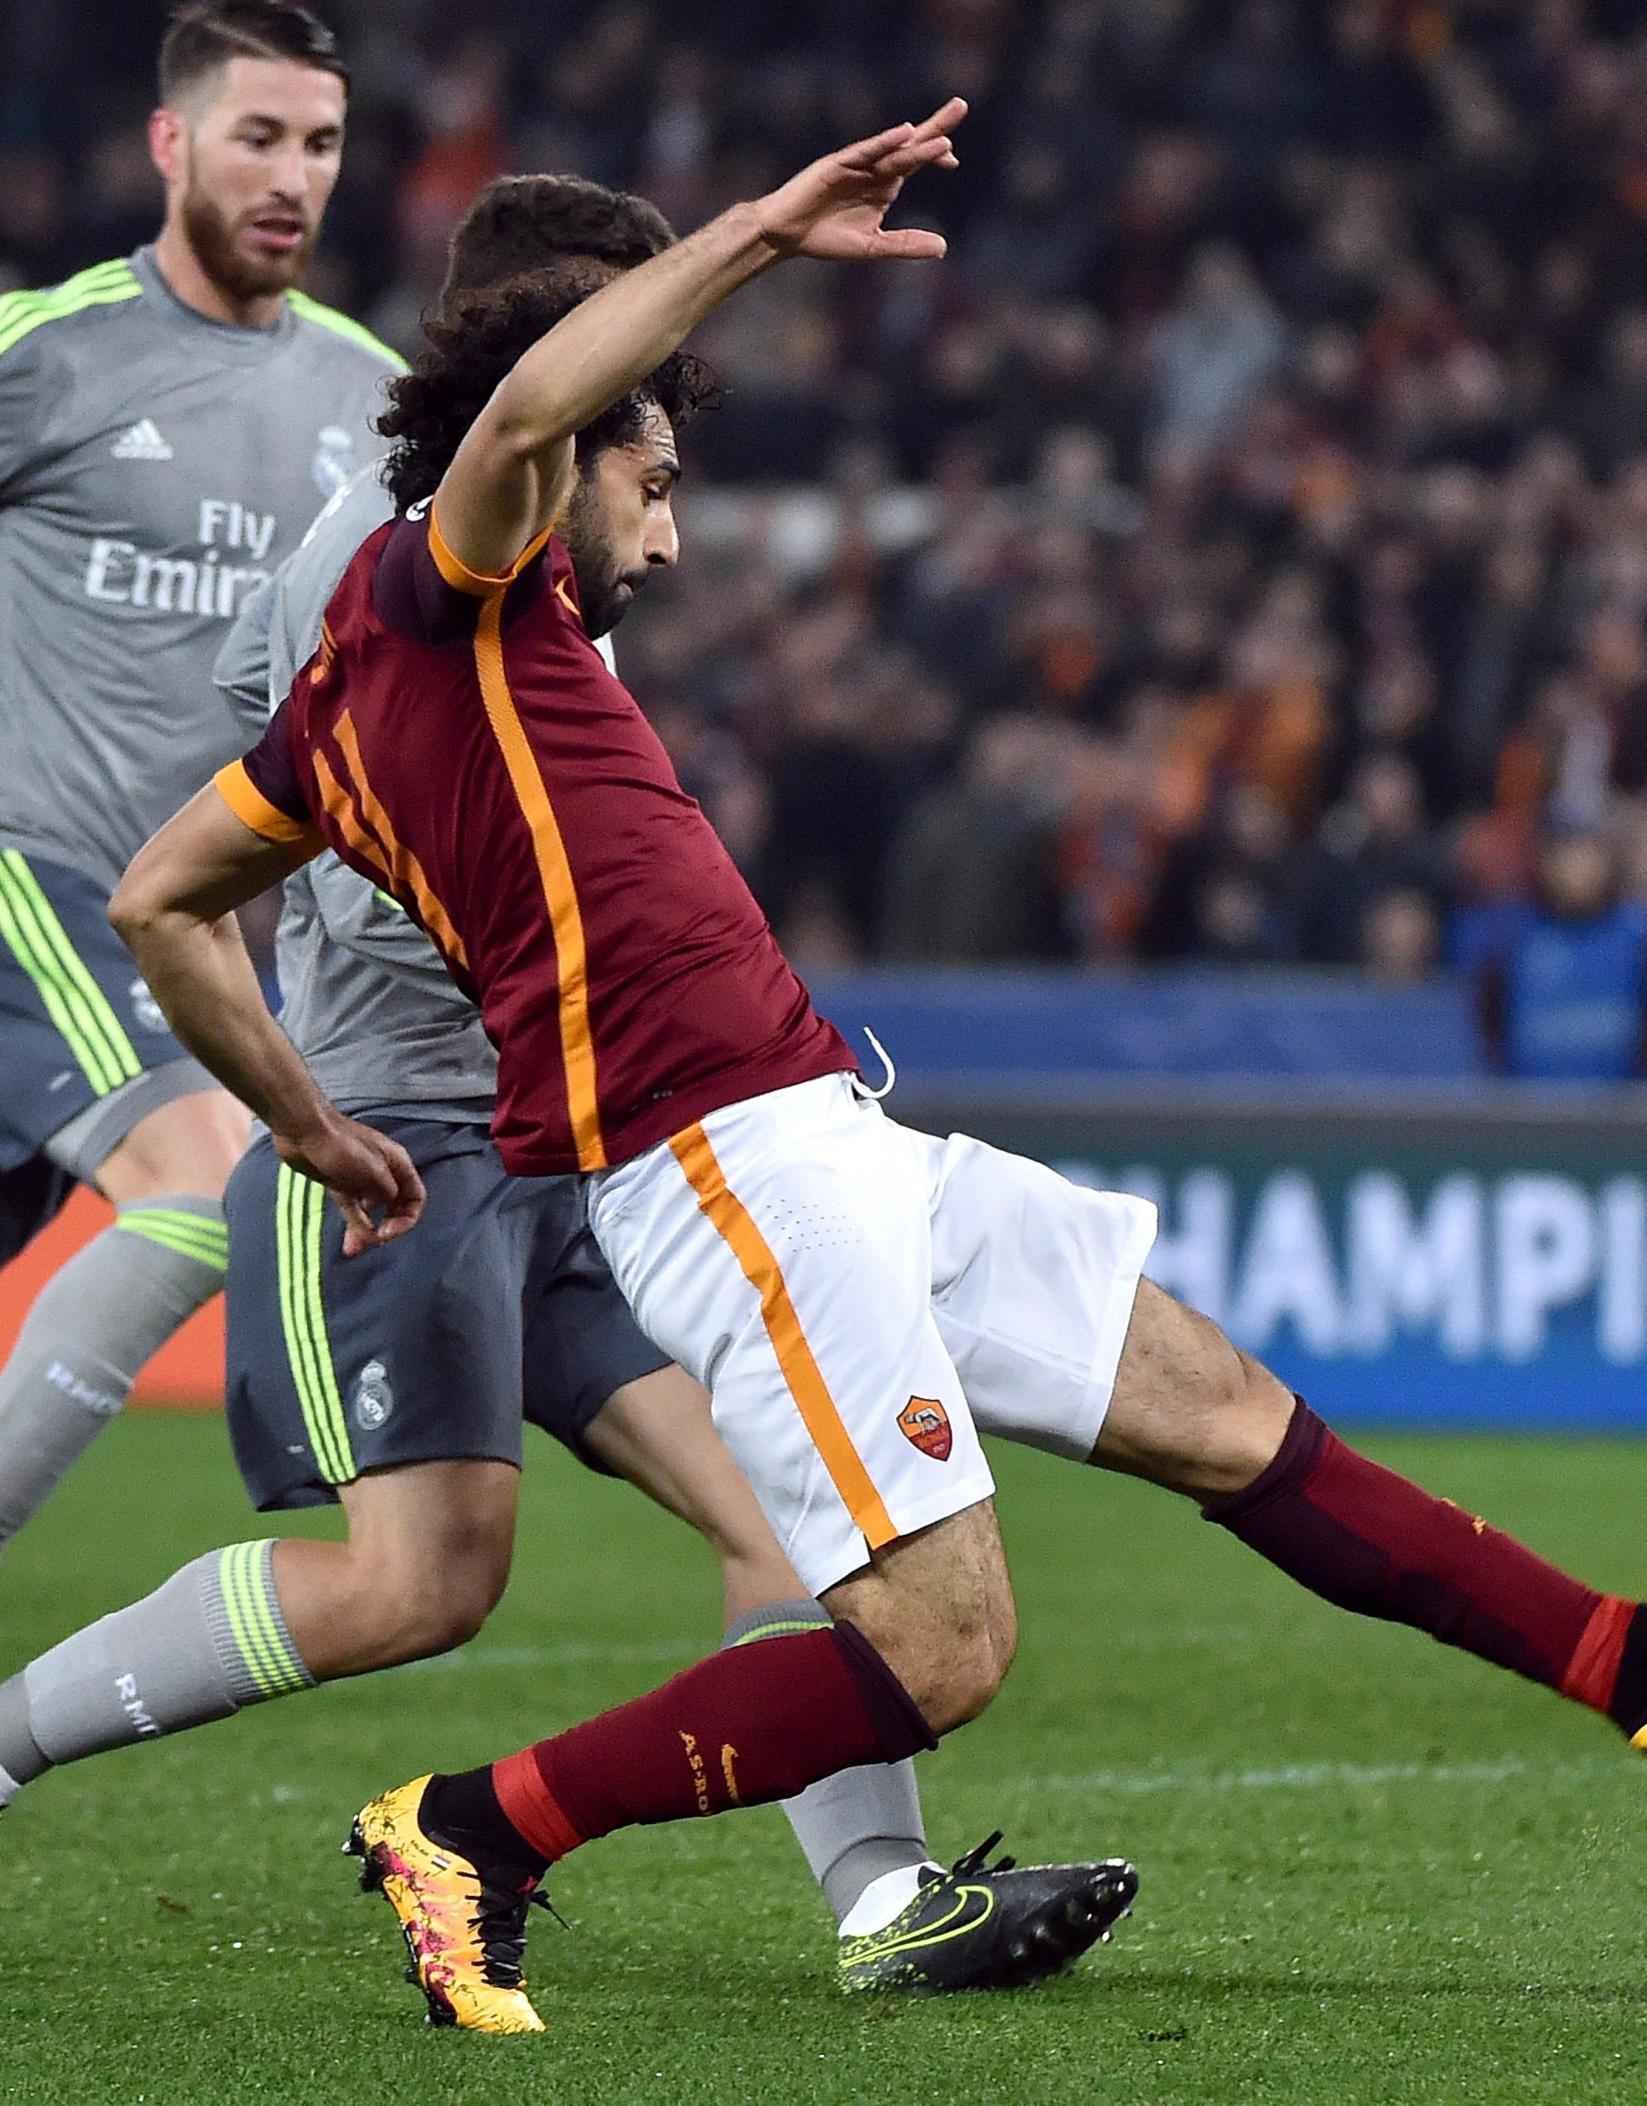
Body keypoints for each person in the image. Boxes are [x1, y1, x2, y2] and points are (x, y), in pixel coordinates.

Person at [112, 101, 1647, 2036]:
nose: (672, 537)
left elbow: (165, 899)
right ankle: (477, 1828)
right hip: (715, 1168)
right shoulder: (445, 591)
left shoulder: (344, 716)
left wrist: (298, 1116)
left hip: (818, 1132)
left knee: (1221, 1404)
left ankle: (1644, 1667)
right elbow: (514, 433)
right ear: (561, 448)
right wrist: (768, 229)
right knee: (941, 1644)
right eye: (659, 481)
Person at [0, 171, 1136, 2003]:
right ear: (548, 344)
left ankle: (885, 1906)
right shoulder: (379, 558)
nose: (666, 369)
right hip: (403, 1140)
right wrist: (306, 1102)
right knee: (413, 1593)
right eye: (643, 326)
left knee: (781, 1509)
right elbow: (255, 828)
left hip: (586, 1139)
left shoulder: (551, 557)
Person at [0, 1, 405, 1559]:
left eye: (319, 144)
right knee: (198, 1178)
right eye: (257, 138)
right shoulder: (57, 351)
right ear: (171, 144)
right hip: (39, 875)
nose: (291, 175)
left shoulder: (365, 401)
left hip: (186, 933)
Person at [1472, 816, 1647, 1081]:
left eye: (1588, 857)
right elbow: (1488, 1013)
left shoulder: (1645, 934)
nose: (1577, 869)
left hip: (1620, 1108)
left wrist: (1644, 1070)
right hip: (1530, 1107)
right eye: (1567, 857)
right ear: (1547, 864)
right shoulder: (1514, 935)